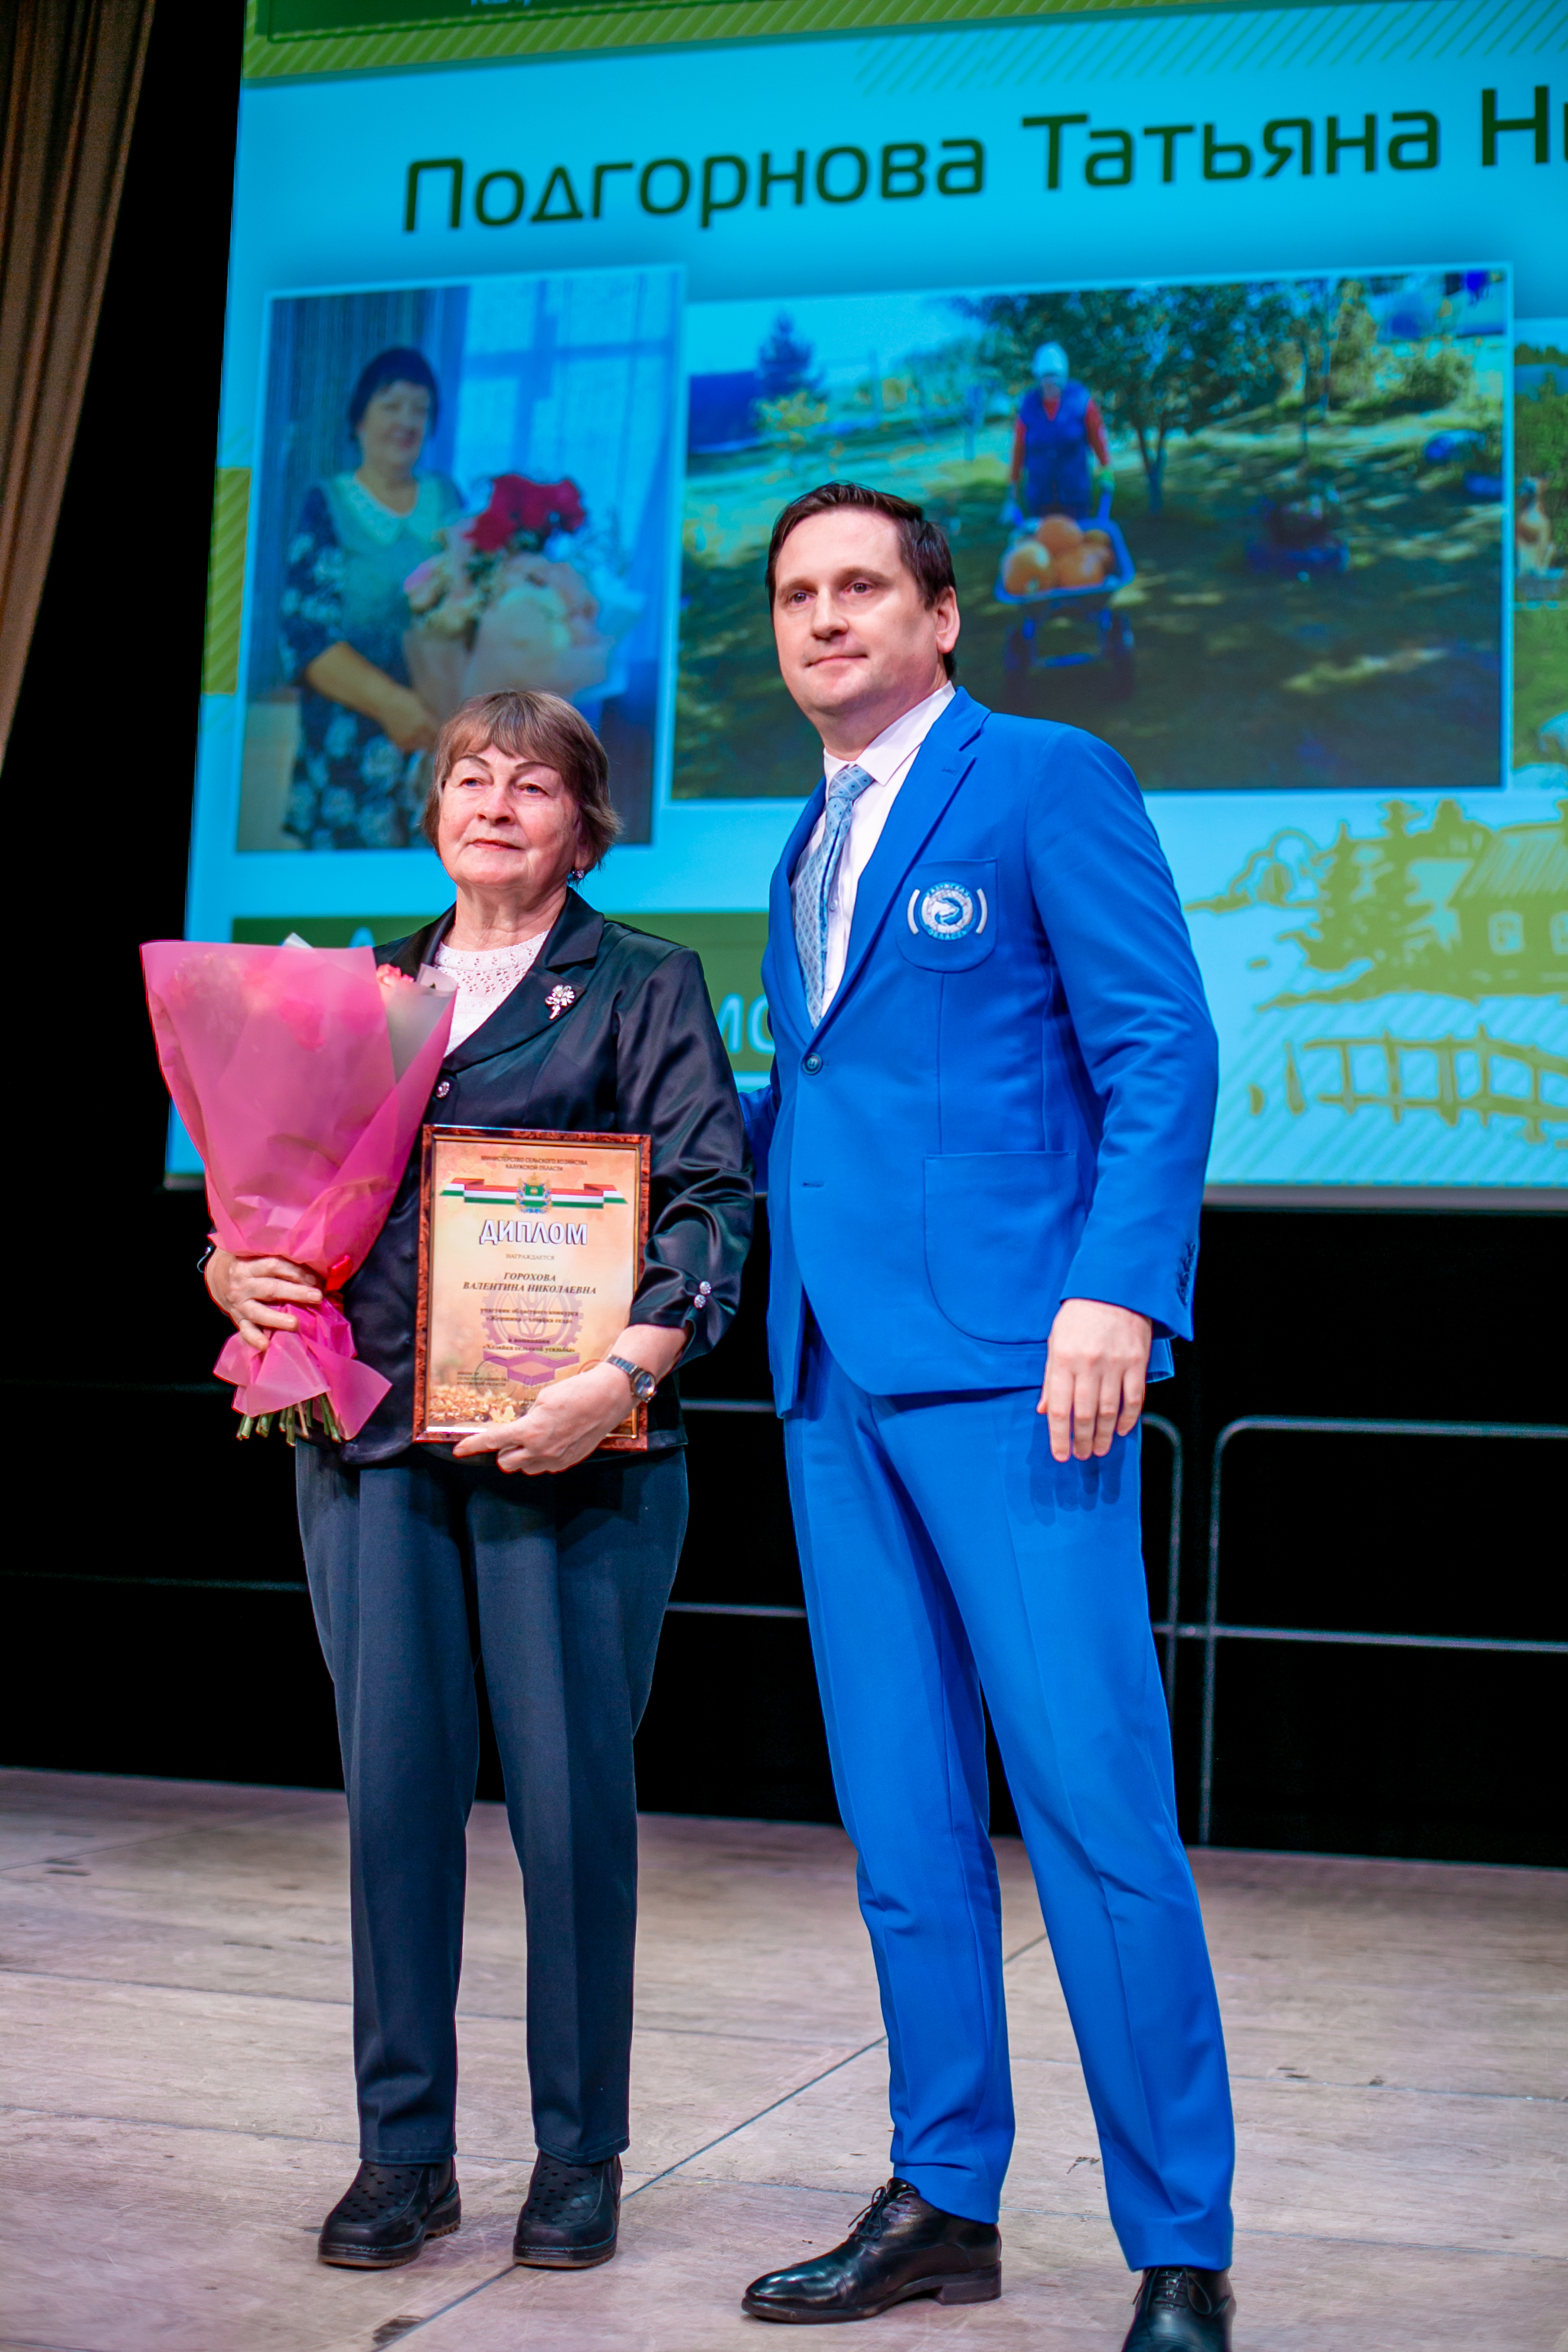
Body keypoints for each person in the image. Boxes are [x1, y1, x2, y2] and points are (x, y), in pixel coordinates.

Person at [737, 483, 1236, 2350]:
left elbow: (1160, 1042)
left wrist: (1118, 1288)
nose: (825, 616)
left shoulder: (1041, 778)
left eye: (861, 585)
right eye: (797, 593)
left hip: (1018, 1374)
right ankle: (944, 2194)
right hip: (829, 1378)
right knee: (903, 1821)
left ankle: (1180, 2241)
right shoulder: (806, 836)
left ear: (941, 615)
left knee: (1096, 1812)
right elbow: (824, 1106)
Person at [205, 689, 752, 2275]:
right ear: (433, 808)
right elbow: (274, 1197)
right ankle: (403, 2156)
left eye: (533, 784)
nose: (495, 802)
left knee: (571, 1815)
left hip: (574, 1452)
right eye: (468, 777)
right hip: (373, 1450)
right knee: (394, 1808)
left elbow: (712, 1200)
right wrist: (230, 1269)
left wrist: (624, 1374)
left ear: (586, 827)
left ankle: (578, 2156)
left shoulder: (643, 983)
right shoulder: (356, 989)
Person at [279, 346, 462, 849]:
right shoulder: (328, 504)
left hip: (438, 745)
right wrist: (394, 705)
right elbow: (305, 638)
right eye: (392, 405)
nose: (407, 421)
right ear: (359, 418)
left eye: (421, 409)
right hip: (350, 750)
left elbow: (478, 609)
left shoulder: (447, 498)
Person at [1009, 341, 1113, 519]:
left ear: (1064, 376)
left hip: (1075, 494)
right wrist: (1013, 485)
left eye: (1055, 376)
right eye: (1045, 377)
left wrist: (1105, 467)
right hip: (1039, 496)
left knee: (1074, 535)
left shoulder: (1080, 399)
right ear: (1038, 378)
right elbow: (1019, 447)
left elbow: (1097, 436)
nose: (1050, 382)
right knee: (1044, 536)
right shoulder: (1028, 405)